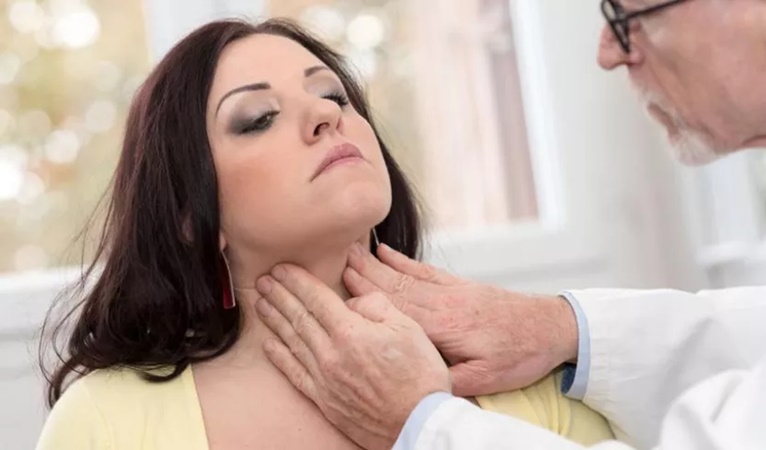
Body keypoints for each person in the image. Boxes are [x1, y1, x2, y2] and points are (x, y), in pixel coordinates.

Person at [34, 18, 614, 450]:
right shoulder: (105, 423)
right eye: (259, 118)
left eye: (333, 95)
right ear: (191, 217)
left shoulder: (521, 374)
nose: (326, 114)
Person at [255, 0, 766, 449]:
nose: (607, 53)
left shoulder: (522, 405)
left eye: (627, 19)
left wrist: (422, 426)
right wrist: (565, 328)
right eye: (257, 119)